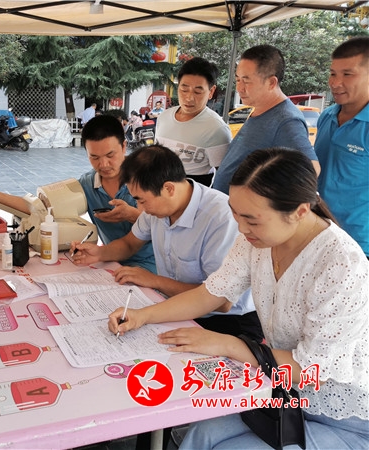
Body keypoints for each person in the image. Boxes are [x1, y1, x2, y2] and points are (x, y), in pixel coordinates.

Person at [109, 148, 369, 449]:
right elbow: (211, 293)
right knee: (201, 434)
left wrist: (229, 344)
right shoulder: (256, 240)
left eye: (252, 221)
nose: (241, 229)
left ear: (299, 211)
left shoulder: (341, 264)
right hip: (282, 391)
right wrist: (143, 316)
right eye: (235, 213)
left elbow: (314, 371)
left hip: (344, 415)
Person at [72, 145, 261, 340]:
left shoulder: (220, 218)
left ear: (169, 188)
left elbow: (221, 302)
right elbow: (130, 244)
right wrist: (99, 253)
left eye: (142, 200)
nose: (139, 208)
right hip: (174, 305)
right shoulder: (158, 208)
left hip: (225, 320)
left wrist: (154, 281)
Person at [0, 114, 156, 272]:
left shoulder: (147, 177)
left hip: (152, 266)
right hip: (111, 262)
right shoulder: (87, 183)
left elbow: (166, 225)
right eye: (94, 157)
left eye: (110, 155)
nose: (103, 164)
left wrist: (133, 215)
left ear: (124, 146)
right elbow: (40, 207)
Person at [212, 45, 320, 194]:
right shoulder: (260, 109)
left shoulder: (286, 121)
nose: (239, 88)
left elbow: (311, 170)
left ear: (271, 83)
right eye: (237, 80)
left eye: (246, 81)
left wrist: (260, 200)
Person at [316, 36, 369, 258]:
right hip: (319, 233)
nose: (335, 83)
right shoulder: (327, 116)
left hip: (359, 244)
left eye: (347, 74)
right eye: (333, 73)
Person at [155, 56, 231, 186]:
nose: (189, 98)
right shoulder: (163, 118)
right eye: (184, 90)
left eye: (197, 92)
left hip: (194, 195)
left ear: (211, 91)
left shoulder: (217, 129)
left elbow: (224, 177)